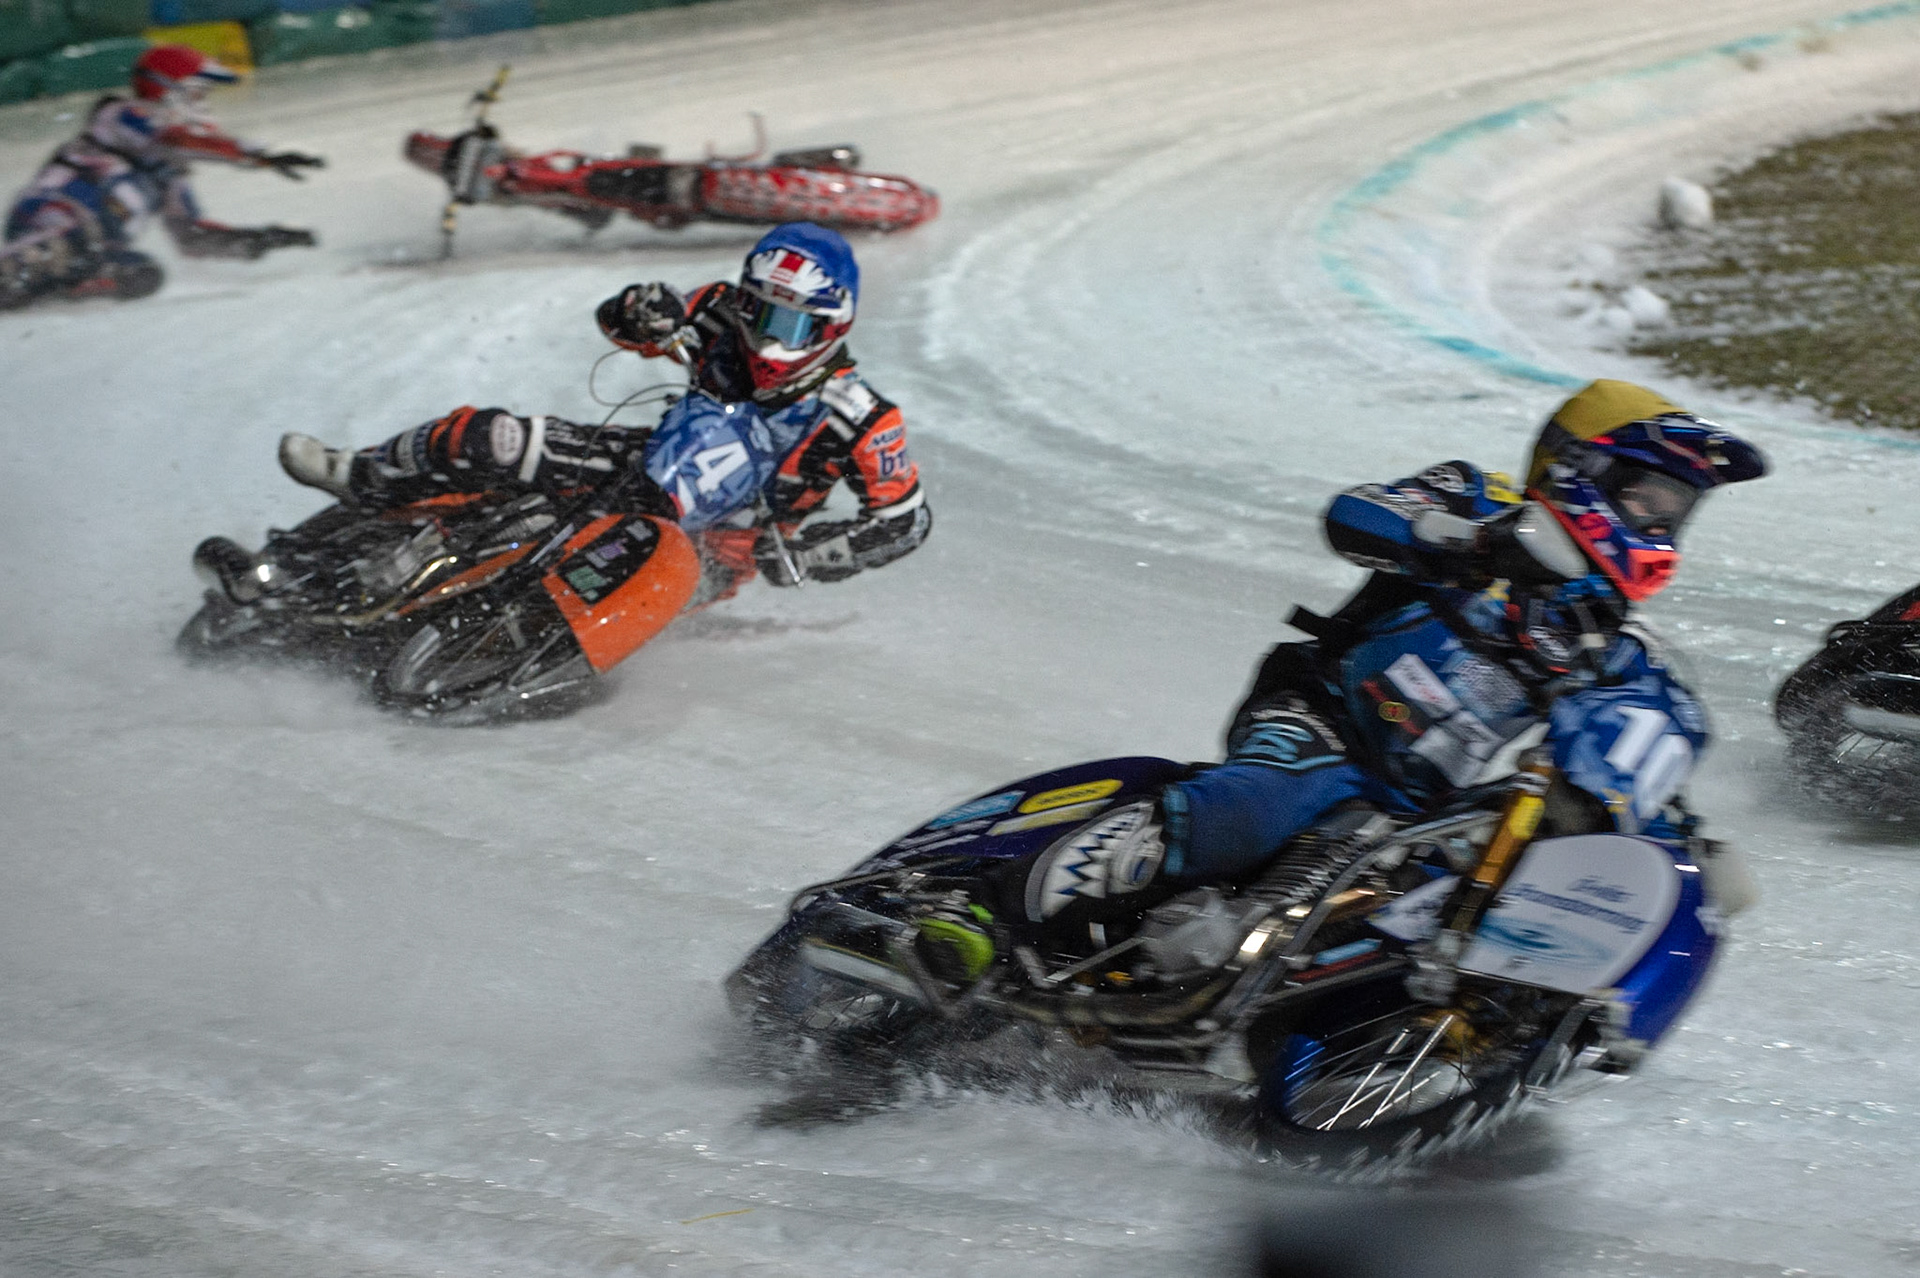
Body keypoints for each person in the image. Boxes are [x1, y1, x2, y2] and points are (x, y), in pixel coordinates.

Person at [1024, 379, 1767, 924]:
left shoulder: (1608, 641)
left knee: (1446, 915)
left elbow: (1624, 749)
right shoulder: (1483, 498)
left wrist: (1684, 850)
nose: (1660, 525)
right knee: (1269, 802)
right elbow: (1357, 514)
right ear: (1584, 468)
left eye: (1676, 514)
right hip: (1325, 717)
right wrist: (1468, 542)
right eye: (1648, 499)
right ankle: (1049, 883)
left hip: (1424, 813)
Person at [274, 221, 929, 605]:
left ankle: (516, 643)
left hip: (717, 548)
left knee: (598, 584)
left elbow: (903, 523)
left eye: (789, 323)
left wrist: (810, 555)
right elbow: (631, 324)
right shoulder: (720, 309)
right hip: (648, 459)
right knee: (493, 438)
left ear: (832, 323)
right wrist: (640, 308)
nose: (766, 336)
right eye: (759, 312)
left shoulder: (862, 418)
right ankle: (362, 475)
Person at [1, 44, 322, 310]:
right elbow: (176, 139)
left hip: (94, 246)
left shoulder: (170, 174)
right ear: (168, 91)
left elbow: (193, 237)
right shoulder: (122, 114)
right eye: (197, 95)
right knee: (66, 238)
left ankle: (50, 286)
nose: (202, 106)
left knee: (143, 273)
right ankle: (23, 268)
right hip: (53, 213)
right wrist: (256, 154)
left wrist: (260, 239)